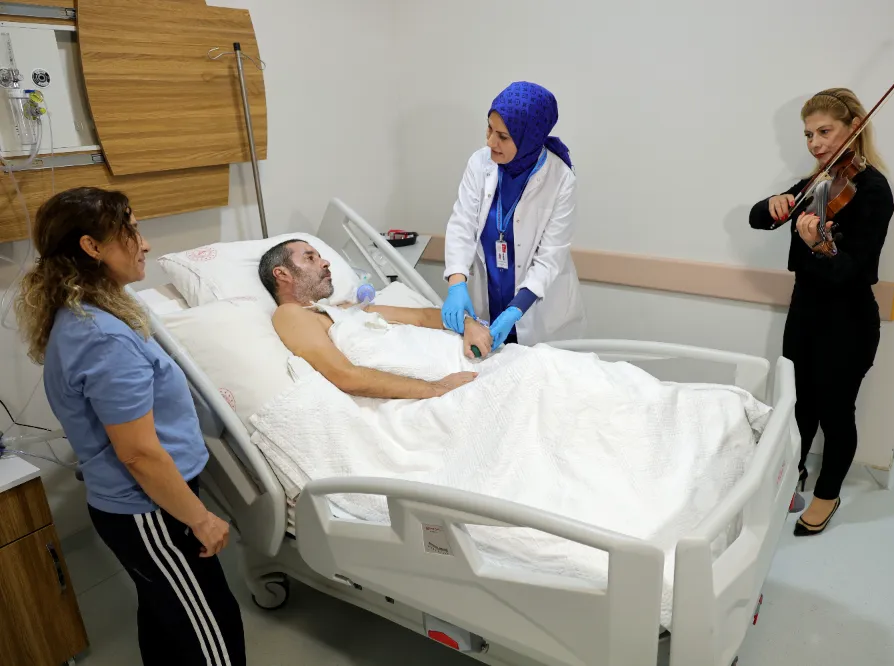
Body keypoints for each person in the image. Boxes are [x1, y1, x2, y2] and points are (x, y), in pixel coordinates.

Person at [15, 187, 246, 665]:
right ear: (92, 247)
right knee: (211, 632)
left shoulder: (88, 316)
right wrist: (200, 519)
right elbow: (138, 453)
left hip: (142, 506)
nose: (146, 244)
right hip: (152, 510)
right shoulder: (103, 338)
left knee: (166, 618)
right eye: (132, 232)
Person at [748, 88, 894, 537]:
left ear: (854, 126)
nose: (815, 143)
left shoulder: (874, 190)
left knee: (835, 412)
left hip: (847, 321)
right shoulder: (818, 182)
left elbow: (853, 271)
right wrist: (773, 203)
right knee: (798, 406)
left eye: (825, 131)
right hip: (805, 313)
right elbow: (758, 218)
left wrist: (819, 245)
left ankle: (827, 495)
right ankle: (792, 475)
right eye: (809, 134)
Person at [441, 80, 585, 351]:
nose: (490, 142)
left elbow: (550, 257)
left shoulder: (561, 180)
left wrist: (516, 310)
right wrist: (457, 284)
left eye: (503, 136)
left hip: (538, 315)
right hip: (488, 305)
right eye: (489, 128)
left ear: (528, 137)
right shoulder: (479, 163)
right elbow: (462, 224)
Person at [259, 239, 485, 398]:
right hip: (446, 386)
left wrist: (468, 323)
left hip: (466, 364)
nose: (325, 262)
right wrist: (437, 388)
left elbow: (420, 316)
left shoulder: (344, 310)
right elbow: (345, 376)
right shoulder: (290, 313)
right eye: (310, 258)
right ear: (282, 274)